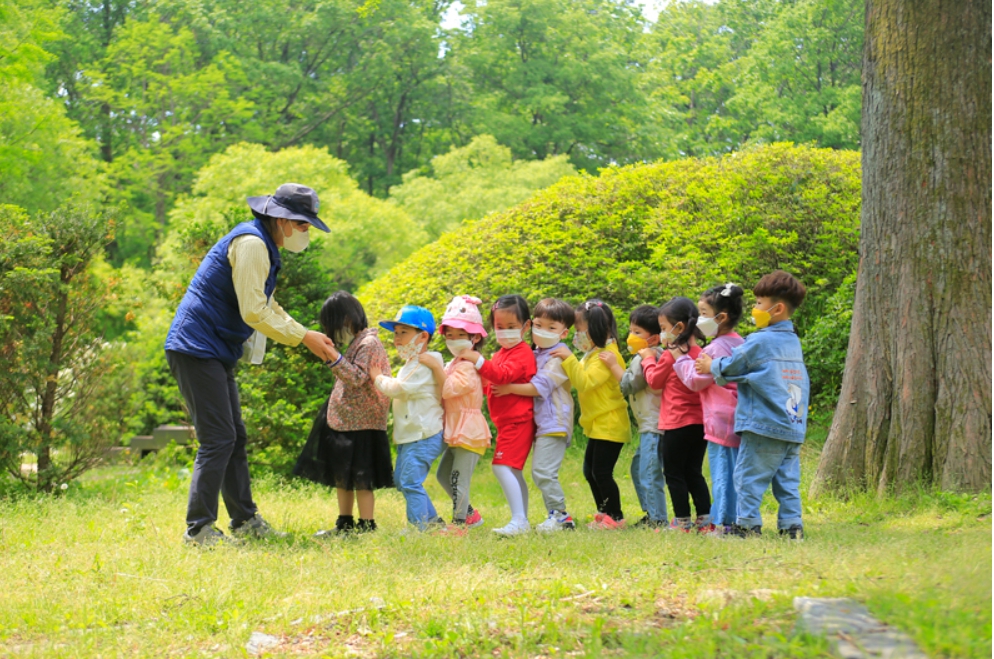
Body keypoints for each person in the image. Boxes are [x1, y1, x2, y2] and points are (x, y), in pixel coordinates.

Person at [165, 183, 337, 546]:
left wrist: (305, 333)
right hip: (196, 347)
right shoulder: (253, 245)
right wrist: (303, 337)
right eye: (304, 225)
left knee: (234, 436)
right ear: (283, 220)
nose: (306, 233)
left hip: (213, 349)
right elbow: (253, 312)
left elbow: (266, 305)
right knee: (218, 439)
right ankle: (199, 529)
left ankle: (244, 521)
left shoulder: (263, 243)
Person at [696, 271, 809, 540]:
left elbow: (736, 364)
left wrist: (711, 366)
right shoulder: (793, 341)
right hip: (793, 425)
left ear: (777, 308)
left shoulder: (760, 340)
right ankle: (791, 527)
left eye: (759, 303)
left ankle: (746, 526)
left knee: (748, 478)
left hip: (764, 424)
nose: (755, 309)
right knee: (787, 481)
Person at [293, 291, 393, 536]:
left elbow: (358, 377)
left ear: (347, 319)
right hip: (347, 421)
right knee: (343, 476)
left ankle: (367, 526)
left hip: (362, 423)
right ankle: (345, 523)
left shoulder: (369, 344)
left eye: (333, 324)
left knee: (362, 477)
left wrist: (332, 357)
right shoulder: (358, 343)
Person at [493, 298, 577, 532]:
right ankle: (553, 515)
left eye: (551, 328)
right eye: (539, 325)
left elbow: (539, 387)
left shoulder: (558, 357)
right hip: (541, 423)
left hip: (555, 421)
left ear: (564, 332)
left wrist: (508, 388)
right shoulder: (536, 353)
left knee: (543, 471)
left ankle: (561, 516)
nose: (543, 331)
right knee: (539, 471)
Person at [458, 295, 537, 536]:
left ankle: (519, 520)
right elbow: (491, 380)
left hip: (518, 420)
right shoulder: (502, 352)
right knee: (512, 470)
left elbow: (502, 375)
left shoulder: (522, 353)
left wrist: (478, 360)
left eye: (512, 327)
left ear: (526, 326)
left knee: (501, 467)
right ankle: (521, 519)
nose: (505, 332)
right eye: (500, 327)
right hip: (507, 421)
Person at [550, 299, 631, 530]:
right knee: (590, 471)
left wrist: (568, 358)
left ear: (594, 328)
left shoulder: (607, 356)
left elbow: (584, 382)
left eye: (579, 330)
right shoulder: (593, 354)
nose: (577, 335)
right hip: (598, 423)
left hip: (610, 422)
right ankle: (604, 512)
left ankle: (615, 517)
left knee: (602, 472)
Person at [673, 284, 745, 535]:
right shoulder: (740, 343)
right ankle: (734, 518)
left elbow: (695, 380)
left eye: (703, 313)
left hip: (720, 422)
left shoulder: (713, 349)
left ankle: (723, 523)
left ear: (721, 317)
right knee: (735, 472)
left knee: (723, 473)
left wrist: (680, 358)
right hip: (738, 417)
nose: (698, 320)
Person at [370, 305, 447, 531]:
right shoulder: (412, 363)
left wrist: (377, 377)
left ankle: (418, 528)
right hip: (410, 435)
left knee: (410, 482)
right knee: (403, 482)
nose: (397, 338)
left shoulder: (425, 362)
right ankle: (432, 523)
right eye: (395, 333)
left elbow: (399, 388)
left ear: (423, 336)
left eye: (403, 332)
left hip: (422, 435)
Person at [640, 297, 711, 532]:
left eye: (663, 328)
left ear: (678, 327)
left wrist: (649, 360)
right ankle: (705, 519)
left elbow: (654, 382)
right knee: (694, 472)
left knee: (673, 472)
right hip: (700, 423)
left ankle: (681, 521)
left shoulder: (671, 354)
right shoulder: (702, 352)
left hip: (676, 423)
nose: (662, 334)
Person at [600, 305, 668, 529]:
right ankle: (651, 513)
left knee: (648, 472)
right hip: (648, 426)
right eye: (631, 330)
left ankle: (657, 519)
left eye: (638, 332)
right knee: (639, 468)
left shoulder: (648, 357)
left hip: (654, 426)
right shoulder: (643, 356)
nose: (631, 336)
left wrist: (612, 366)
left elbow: (630, 384)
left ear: (654, 338)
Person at [436, 295, 491, 529]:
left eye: (461, 336)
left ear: (475, 337)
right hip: (457, 428)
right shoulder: (454, 364)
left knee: (458, 479)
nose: (454, 340)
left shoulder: (468, 366)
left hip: (469, 430)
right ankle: (470, 515)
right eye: (450, 336)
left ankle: (459, 525)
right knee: (444, 475)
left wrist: (433, 368)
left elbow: (448, 390)